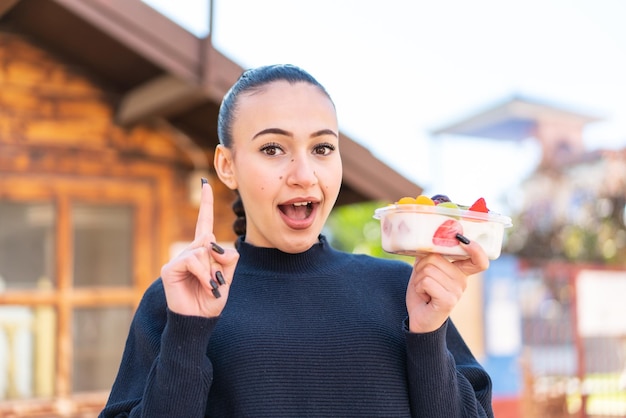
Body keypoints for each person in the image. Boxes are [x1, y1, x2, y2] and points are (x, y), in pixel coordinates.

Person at [100, 64, 494, 417]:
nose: (304, 174)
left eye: (322, 148)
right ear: (227, 165)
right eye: (273, 149)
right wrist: (187, 333)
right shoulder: (181, 297)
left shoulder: (402, 292)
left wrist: (427, 336)